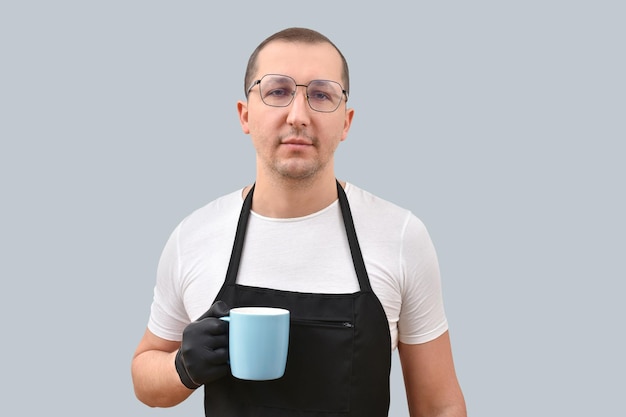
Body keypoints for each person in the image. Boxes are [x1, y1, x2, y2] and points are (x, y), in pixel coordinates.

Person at [131, 27, 466, 417]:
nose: (298, 115)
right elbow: (145, 379)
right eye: (277, 92)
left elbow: (439, 404)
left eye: (321, 95)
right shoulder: (194, 235)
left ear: (346, 122)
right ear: (245, 114)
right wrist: (181, 368)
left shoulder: (402, 235)